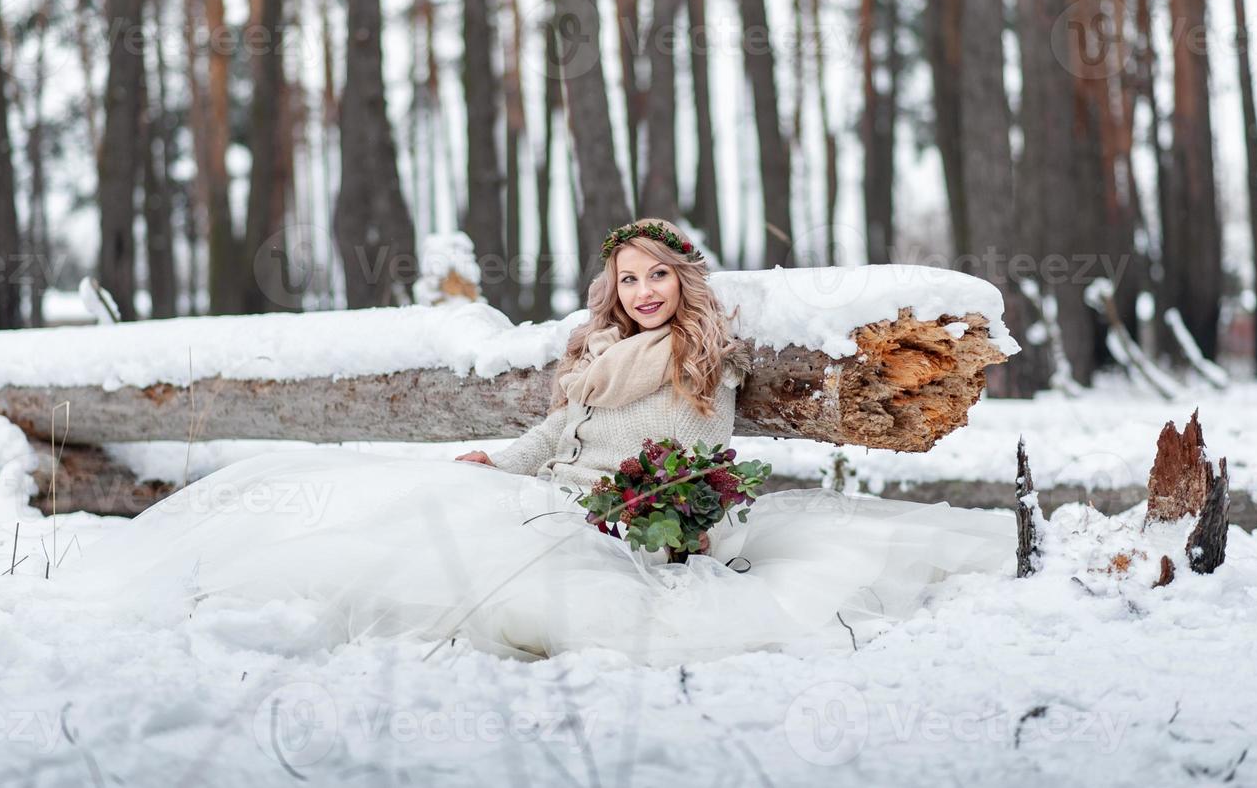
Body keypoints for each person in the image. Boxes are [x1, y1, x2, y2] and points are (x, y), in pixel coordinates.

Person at [64, 218, 1015, 666]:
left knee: (482, 571)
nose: (644, 291)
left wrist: (672, 518)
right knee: (403, 509)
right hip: (552, 488)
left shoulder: (698, 362)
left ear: (685, 281)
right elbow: (557, 428)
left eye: (659, 275)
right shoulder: (595, 353)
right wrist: (506, 461)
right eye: (628, 278)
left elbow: (704, 461)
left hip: (623, 514)